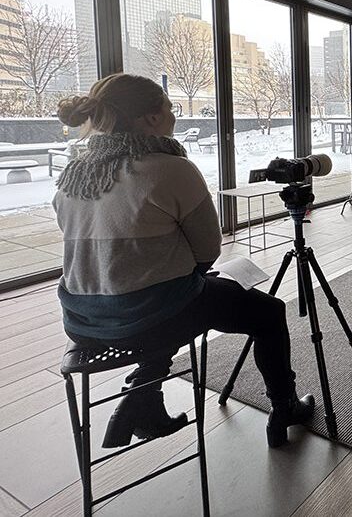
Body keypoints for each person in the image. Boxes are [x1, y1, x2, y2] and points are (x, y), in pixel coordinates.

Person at [53, 73, 313, 449]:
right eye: (170, 108)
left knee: (166, 297)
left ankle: (143, 396)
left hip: (81, 321)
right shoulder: (170, 168)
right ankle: (284, 406)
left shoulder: (73, 174)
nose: (174, 117)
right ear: (152, 118)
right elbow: (208, 251)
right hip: (149, 318)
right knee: (267, 312)